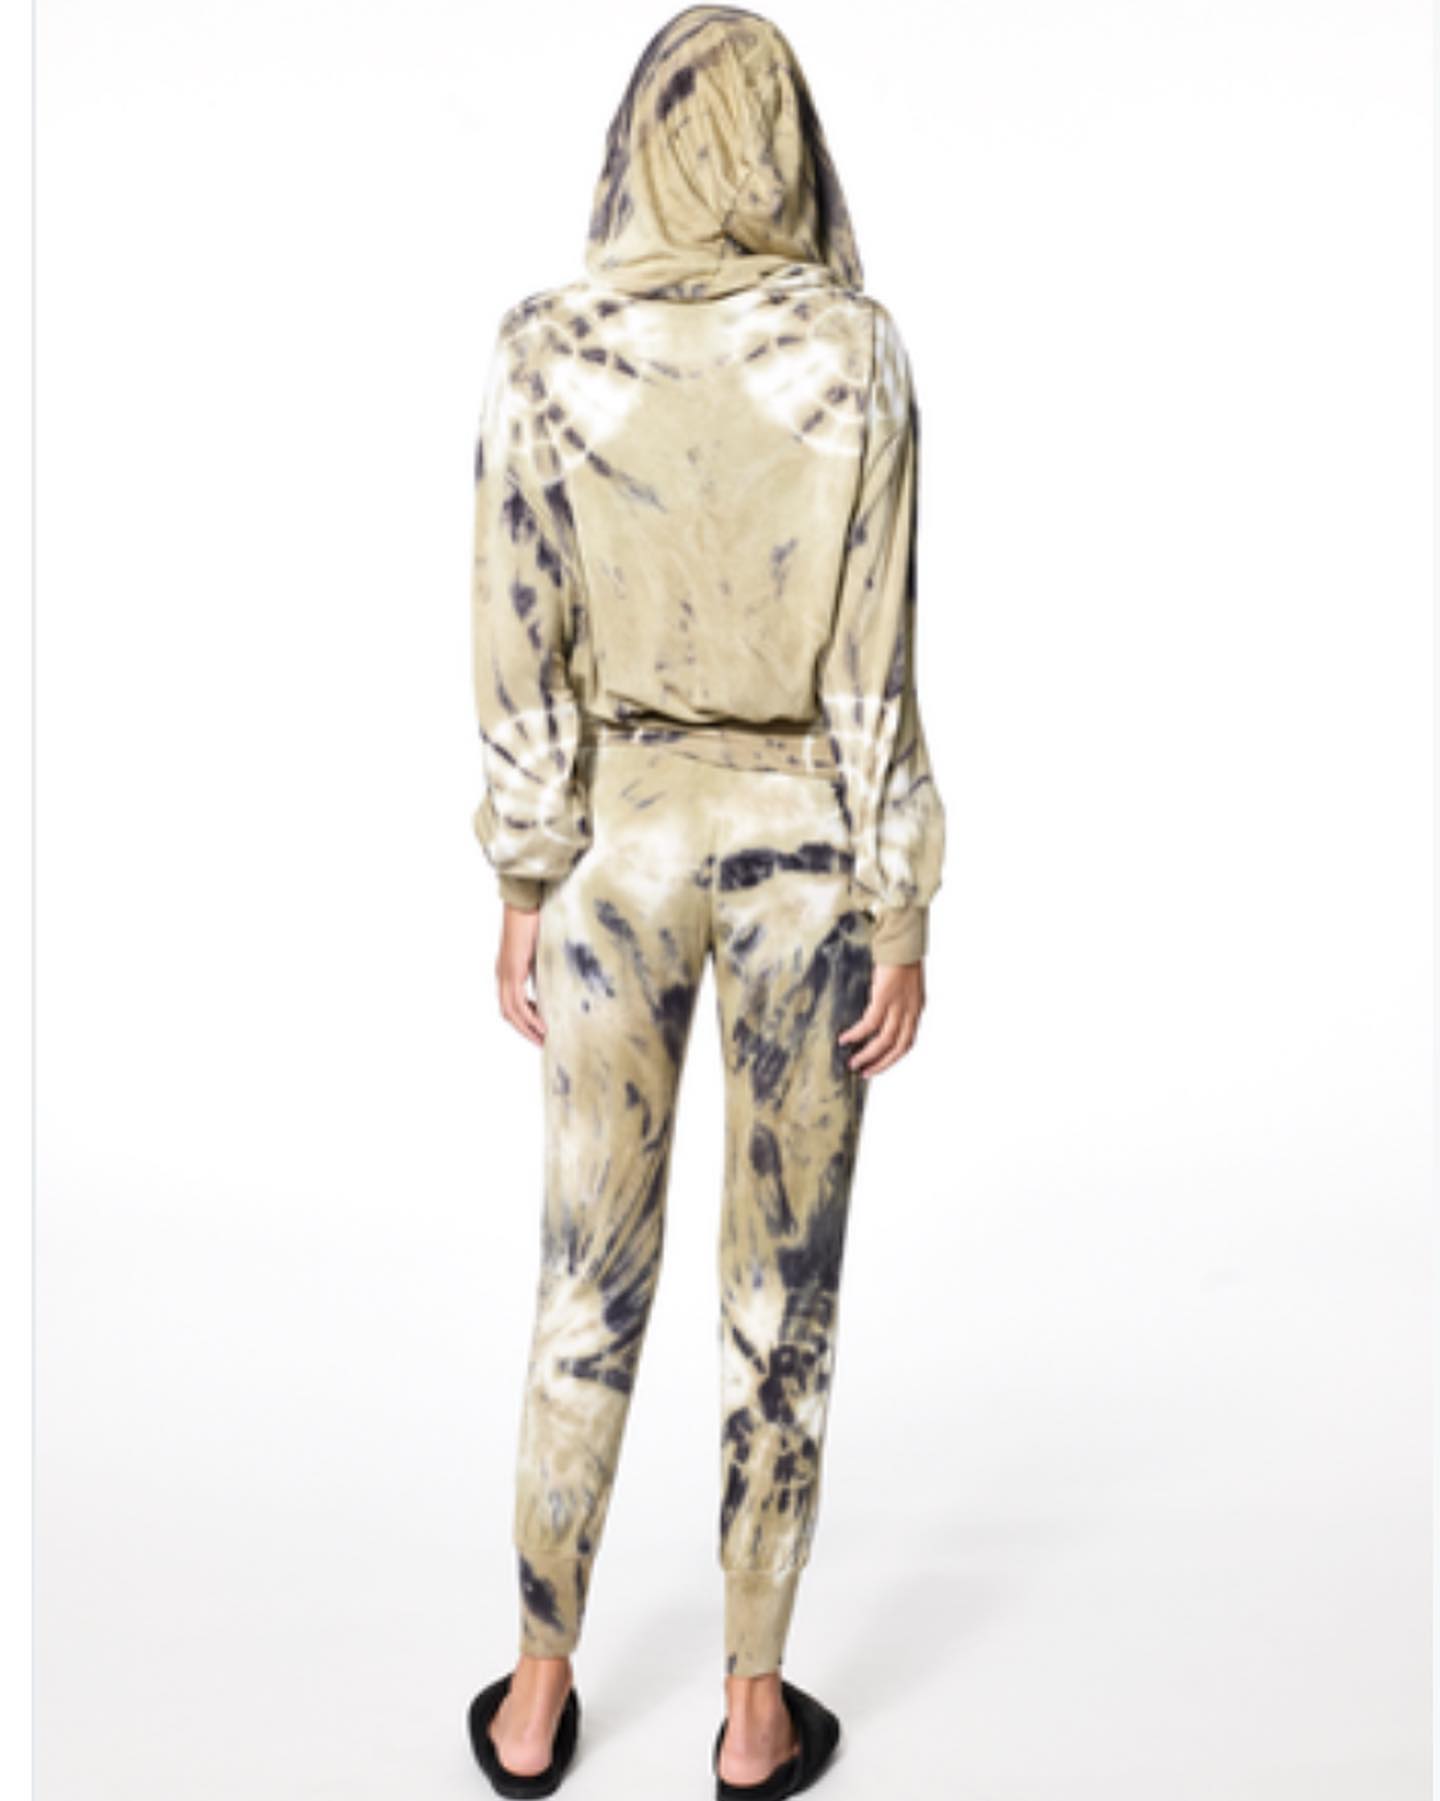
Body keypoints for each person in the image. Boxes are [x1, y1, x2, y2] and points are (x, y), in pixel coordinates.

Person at [463, 7, 946, 1795]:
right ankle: (752, 1712)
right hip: (806, 859)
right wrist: (900, 900)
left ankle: (536, 1693)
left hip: (614, 853)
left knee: (585, 1272)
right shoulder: (855, 350)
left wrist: (526, 874)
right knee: (780, 1285)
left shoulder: (548, 348)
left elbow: (518, 631)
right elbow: (875, 664)